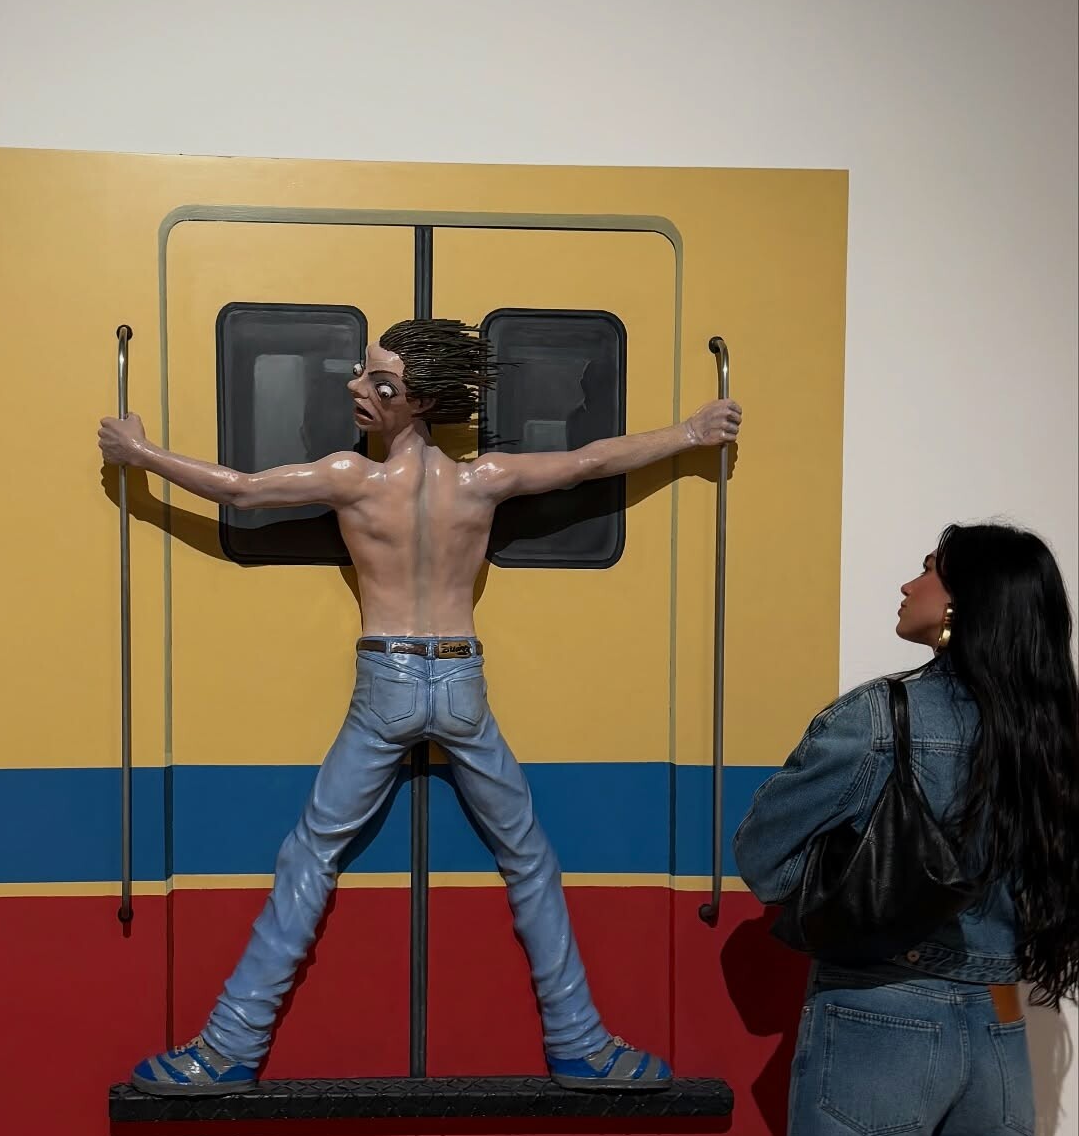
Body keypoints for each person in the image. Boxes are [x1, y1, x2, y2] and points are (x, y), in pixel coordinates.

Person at [99, 318, 742, 1096]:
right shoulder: (481, 480)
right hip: (461, 679)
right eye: (364, 373)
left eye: (381, 384)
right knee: (528, 857)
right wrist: (689, 433)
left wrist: (141, 453)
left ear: (422, 401)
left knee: (312, 854)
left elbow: (241, 489)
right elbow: (588, 462)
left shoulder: (351, 478)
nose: (357, 389)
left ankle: (228, 1049)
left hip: (387, 683)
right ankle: (581, 1043)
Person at [733, 523, 1079, 1136]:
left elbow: (763, 859)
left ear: (963, 602)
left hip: (878, 1019)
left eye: (928, 568)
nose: (909, 582)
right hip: (1000, 1030)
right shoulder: (1051, 735)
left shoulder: (881, 717)